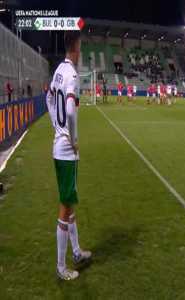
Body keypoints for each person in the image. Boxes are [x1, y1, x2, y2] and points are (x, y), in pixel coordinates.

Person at [46, 31, 91, 281]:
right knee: (65, 208)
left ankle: (76, 252)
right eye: (81, 46)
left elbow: (49, 98)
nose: (81, 51)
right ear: (76, 47)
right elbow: (71, 112)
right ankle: (61, 267)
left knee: (69, 203)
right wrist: (71, 139)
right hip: (66, 152)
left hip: (58, 147)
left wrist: (57, 127)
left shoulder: (58, 71)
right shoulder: (72, 75)